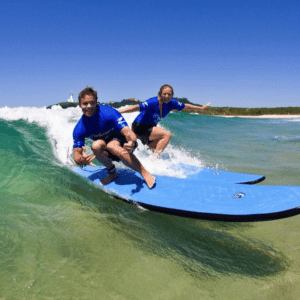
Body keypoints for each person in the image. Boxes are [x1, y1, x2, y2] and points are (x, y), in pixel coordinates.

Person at [73, 87, 156, 189]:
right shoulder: (80, 128)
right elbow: (76, 155)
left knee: (112, 145)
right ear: (80, 105)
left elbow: (128, 132)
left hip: (124, 144)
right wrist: (81, 160)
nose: (89, 106)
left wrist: (132, 141)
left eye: (92, 103)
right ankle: (112, 172)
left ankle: (144, 172)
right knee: (95, 146)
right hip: (107, 150)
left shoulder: (108, 112)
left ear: (96, 102)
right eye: (85, 103)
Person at [118, 84, 210, 157]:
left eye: (169, 94)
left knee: (155, 147)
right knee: (166, 135)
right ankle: (154, 160)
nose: (166, 96)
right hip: (140, 126)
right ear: (160, 94)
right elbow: (137, 107)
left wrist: (200, 108)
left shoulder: (172, 103)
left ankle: (144, 161)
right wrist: (120, 111)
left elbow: (185, 106)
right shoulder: (153, 101)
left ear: (172, 95)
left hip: (150, 128)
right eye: (164, 94)